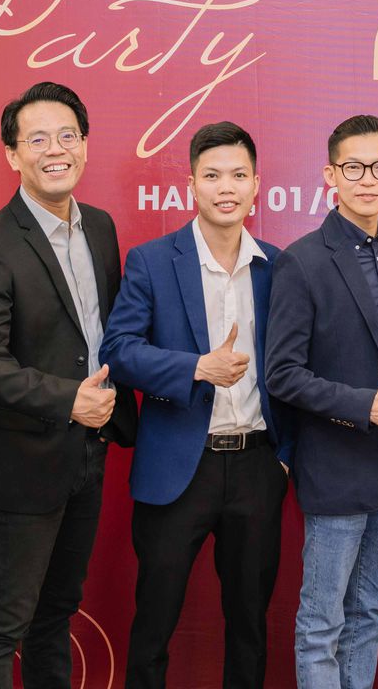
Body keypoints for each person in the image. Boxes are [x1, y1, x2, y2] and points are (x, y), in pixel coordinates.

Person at [0, 81, 138, 689]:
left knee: (57, 614)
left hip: (88, 454)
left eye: (67, 136)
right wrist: (69, 400)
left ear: (85, 144)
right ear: (13, 154)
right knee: (4, 623)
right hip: (21, 463)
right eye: (37, 140)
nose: (55, 150)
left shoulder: (101, 229)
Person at [102, 121, 292, 689]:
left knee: (250, 625)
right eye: (212, 176)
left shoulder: (278, 266)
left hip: (257, 465)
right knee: (154, 623)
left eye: (238, 175)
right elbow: (119, 351)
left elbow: (297, 365)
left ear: (256, 185)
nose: (225, 188)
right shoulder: (153, 260)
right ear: (191, 185)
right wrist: (195, 368)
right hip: (178, 468)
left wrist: (285, 457)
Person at [264, 114, 378, 689]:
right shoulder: (301, 259)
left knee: (368, 612)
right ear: (330, 175)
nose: (367, 179)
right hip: (333, 463)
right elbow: (281, 374)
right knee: (321, 624)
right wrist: (363, 405)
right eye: (353, 167)